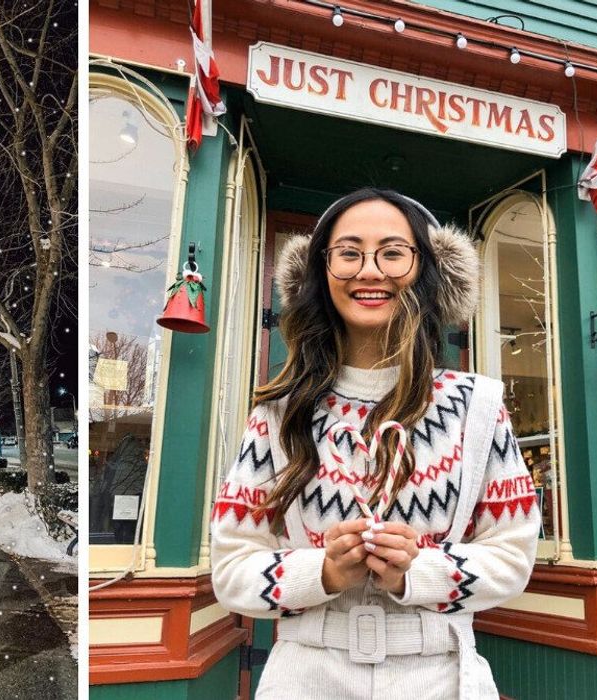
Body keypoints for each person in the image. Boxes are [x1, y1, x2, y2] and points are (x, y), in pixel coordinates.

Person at [210, 188, 539, 699]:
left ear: (425, 269)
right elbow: (231, 569)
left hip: (441, 676)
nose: (370, 271)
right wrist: (321, 570)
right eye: (349, 253)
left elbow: (513, 556)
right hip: (306, 678)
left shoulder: (478, 408)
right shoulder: (278, 414)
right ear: (321, 272)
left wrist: (420, 571)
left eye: (392, 252)